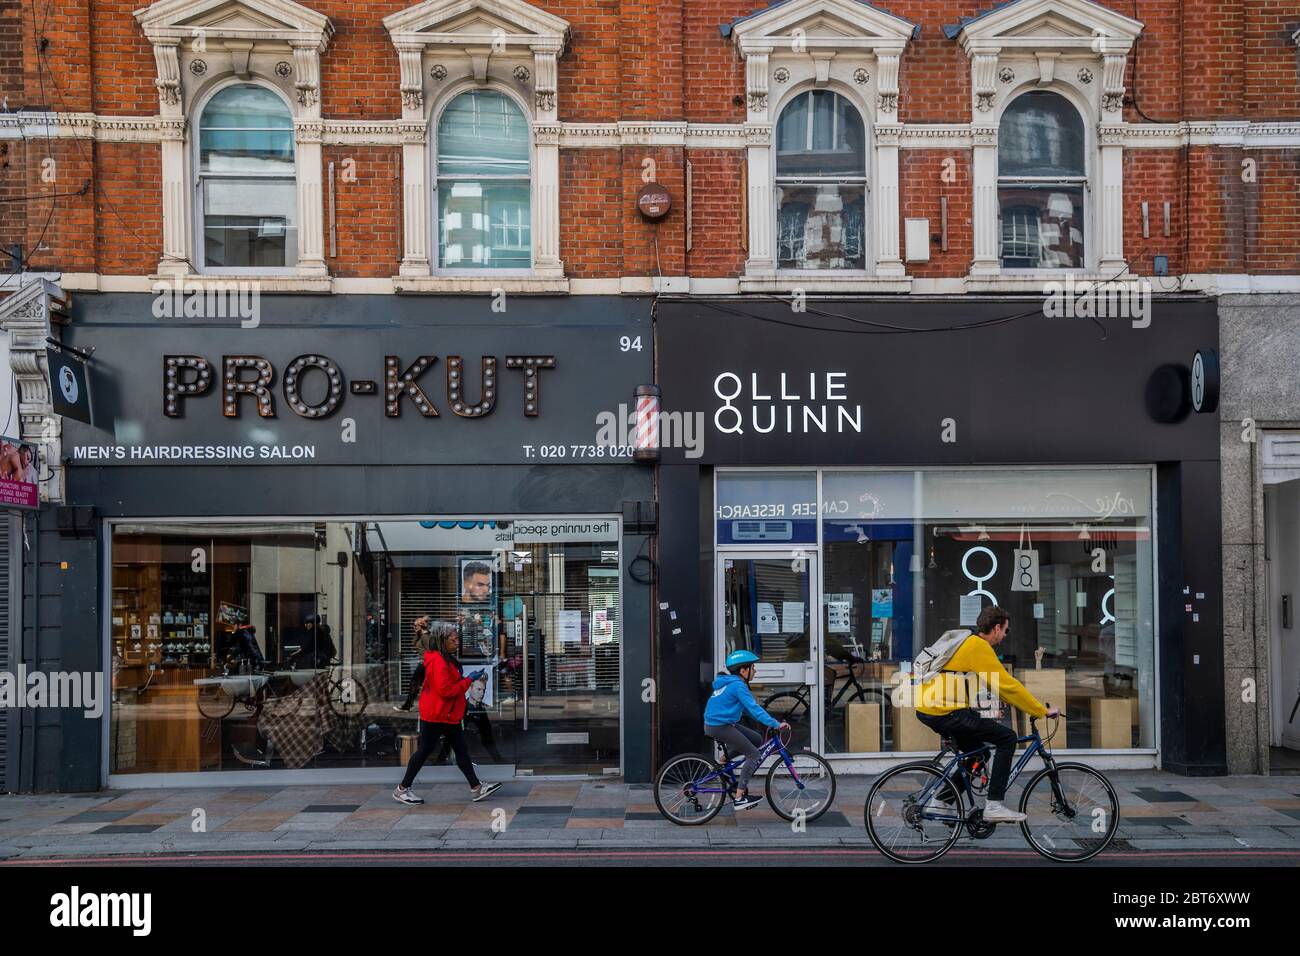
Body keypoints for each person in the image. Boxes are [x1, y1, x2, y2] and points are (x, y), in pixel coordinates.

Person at [914, 605, 1060, 823]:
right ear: (997, 628)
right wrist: (1041, 710)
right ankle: (994, 805)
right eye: (1006, 631)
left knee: (979, 754)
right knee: (1007, 738)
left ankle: (941, 801)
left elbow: (999, 687)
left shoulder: (969, 642)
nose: (1004, 636)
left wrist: (1023, 704)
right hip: (945, 711)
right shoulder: (978, 647)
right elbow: (1007, 685)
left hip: (932, 708)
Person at [394, 621, 503, 805]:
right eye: (454, 639)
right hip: (438, 714)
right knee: (425, 750)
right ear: (443, 640)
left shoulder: (445, 657)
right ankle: (402, 789)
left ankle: (476, 788)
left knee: (460, 750)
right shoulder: (438, 661)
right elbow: (446, 691)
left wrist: (465, 679)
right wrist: (468, 680)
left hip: (447, 714)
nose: (457, 641)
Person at [703, 649, 790, 811]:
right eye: (753, 668)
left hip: (720, 723)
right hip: (719, 726)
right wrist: (775, 724)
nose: (755, 671)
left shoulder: (730, 683)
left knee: (756, 739)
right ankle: (740, 798)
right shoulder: (738, 686)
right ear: (743, 671)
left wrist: (766, 720)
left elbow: (743, 708)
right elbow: (753, 708)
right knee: (754, 754)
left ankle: (721, 762)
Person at [394, 616, 433, 712]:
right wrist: (417, 633)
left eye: (415, 626)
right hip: (424, 664)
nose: (414, 627)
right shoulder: (421, 635)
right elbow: (413, 643)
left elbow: (431, 651)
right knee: (416, 684)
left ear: (421, 626)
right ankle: (408, 705)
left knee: (415, 684)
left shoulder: (426, 637)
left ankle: (407, 706)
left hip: (425, 664)